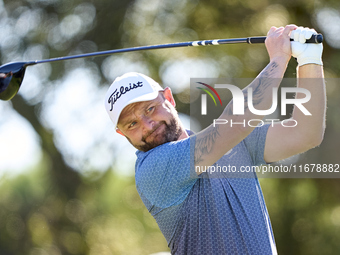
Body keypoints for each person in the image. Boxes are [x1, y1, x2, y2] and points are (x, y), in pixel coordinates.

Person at [104, 25, 325, 254]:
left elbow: (304, 134)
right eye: (132, 124)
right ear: (121, 133)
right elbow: (235, 122)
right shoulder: (153, 169)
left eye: (150, 109)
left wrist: (309, 60)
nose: (147, 126)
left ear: (168, 97)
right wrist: (278, 58)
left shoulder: (232, 144)